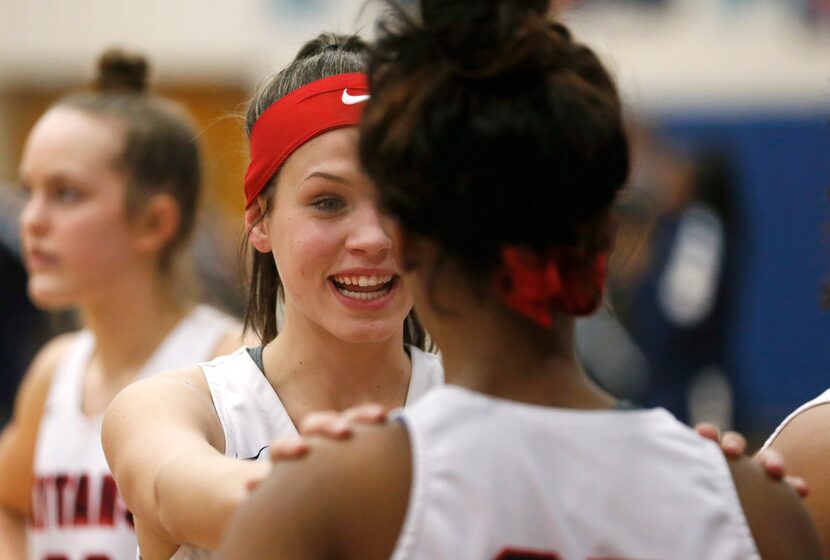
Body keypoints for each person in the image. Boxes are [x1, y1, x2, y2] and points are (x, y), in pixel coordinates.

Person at [216, 2, 822, 559]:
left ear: (415, 242)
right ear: (607, 236)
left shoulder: (322, 501)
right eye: (328, 203)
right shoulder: (757, 506)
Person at [101, 33, 442, 559]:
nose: (373, 239)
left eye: (401, 201)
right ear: (260, 220)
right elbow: (169, 486)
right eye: (329, 202)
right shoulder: (187, 408)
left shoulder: (482, 407)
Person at [0, 50, 242, 560]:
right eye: (29, 192)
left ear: (155, 222)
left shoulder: (235, 363)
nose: (33, 221)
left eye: (65, 194)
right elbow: (9, 504)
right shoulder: (55, 370)